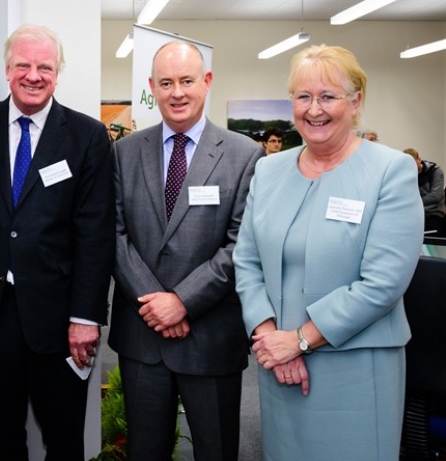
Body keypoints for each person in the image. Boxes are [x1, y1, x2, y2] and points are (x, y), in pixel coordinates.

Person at [234, 45, 424, 460]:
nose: (314, 109)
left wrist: (300, 341)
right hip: (278, 364)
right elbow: (246, 260)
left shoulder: (390, 171)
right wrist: (269, 337)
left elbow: (382, 283)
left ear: (356, 102)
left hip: (355, 368)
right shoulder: (269, 170)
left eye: (328, 96)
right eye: (303, 97)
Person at [0, 24, 115, 461]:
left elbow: (95, 233)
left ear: (57, 73)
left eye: (45, 66)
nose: (34, 75)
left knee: (63, 444)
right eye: (23, 65)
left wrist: (86, 316)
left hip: (61, 322)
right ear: (7, 70)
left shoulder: (87, 137)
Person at [109, 41, 264, 461]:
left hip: (210, 337)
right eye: (166, 83)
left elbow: (242, 244)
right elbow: (115, 235)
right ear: (152, 88)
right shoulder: (124, 152)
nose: (177, 92)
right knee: (145, 451)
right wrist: (156, 305)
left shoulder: (244, 155)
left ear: (207, 82)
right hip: (143, 340)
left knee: (216, 451)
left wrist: (182, 302)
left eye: (187, 81)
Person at [404, 147, 446, 236]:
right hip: (415, 215)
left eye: (413, 164)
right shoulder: (406, 174)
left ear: (419, 160)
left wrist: (413, 203)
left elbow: (435, 196)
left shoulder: (436, 171)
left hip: (433, 214)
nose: (411, 168)